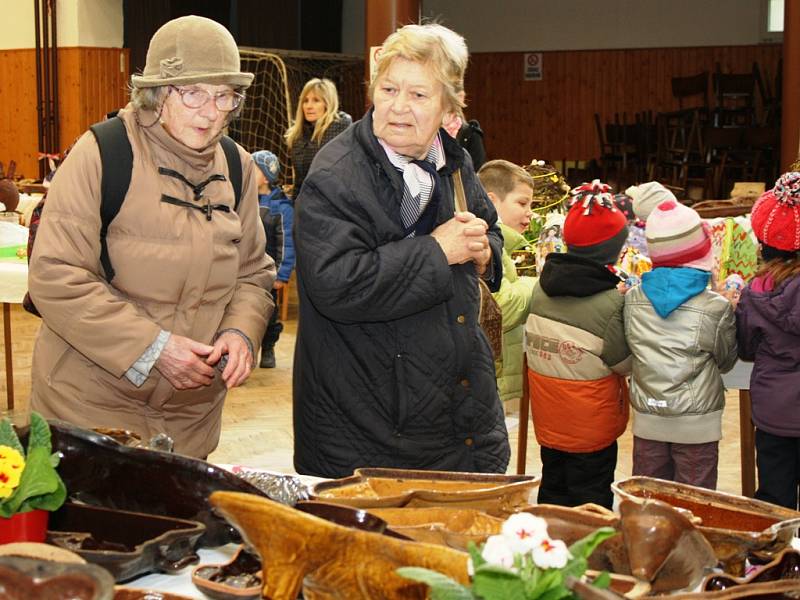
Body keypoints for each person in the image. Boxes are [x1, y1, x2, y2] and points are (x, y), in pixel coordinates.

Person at [27, 15, 275, 458]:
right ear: (156, 94)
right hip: (91, 408)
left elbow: (253, 273)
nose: (211, 111)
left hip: (191, 418)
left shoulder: (236, 167)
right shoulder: (104, 153)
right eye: (194, 93)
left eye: (224, 96)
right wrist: (153, 349)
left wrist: (241, 331)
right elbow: (54, 275)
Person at [292, 23, 509, 478]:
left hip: (458, 420)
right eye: (388, 89)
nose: (397, 107)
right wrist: (438, 251)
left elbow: (488, 230)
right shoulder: (336, 175)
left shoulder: (455, 162)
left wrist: (484, 251)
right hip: (368, 430)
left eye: (418, 95)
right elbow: (336, 284)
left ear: (451, 106)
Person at [525, 180, 630, 509]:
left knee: (553, 489)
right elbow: (623, 363)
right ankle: (585, 558)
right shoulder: (611, 302)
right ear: (613, 251)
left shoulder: (541, 289)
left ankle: (548, 551)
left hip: (549, 420)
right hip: (591, 427)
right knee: (592, 501)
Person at [624, 199, 737, 490]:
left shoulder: (632, 300)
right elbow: (726, 361)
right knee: (693, 502)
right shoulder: (715, 307)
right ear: (702, 252)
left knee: (648, 503)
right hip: (697, 424)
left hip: (648, 417)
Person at [736, 172, 800, 509]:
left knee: (775, 499)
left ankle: (778, 560)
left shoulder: (755, 293)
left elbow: (745, 348)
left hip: (774, 413)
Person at [477, 159, 537, 406]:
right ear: (492, 202)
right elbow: (500, 309)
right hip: (487, 382)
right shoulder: (488, 248)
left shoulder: (505, 246)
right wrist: (535, 285)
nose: (529, 212)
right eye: (522, 203)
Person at [252, 150, 295, 368]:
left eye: (256, 168)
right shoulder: (241, 198)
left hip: (269, 273)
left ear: (268, 175)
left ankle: (268, 347)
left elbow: (286, 243)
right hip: (244, 271)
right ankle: (247, 351)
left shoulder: (281, 207)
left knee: (268, 315)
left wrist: (282, 274)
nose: (250, 171)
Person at [284, 78, 352, 199]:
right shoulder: (298, 134)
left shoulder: (340, 128)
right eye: (305, 101)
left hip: (333, 203)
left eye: (316, 101)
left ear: (327, 104)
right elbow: (300, 181)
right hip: (306, 203)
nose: (309, 106)